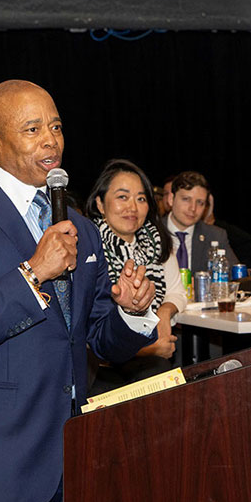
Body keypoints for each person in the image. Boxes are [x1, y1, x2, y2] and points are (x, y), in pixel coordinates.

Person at [0, 80, 158, 502]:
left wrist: (130, 313)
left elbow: (97, 338)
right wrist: (32, 274)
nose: (51, 141)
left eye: (56, 127)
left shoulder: (80, 228)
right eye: (32, 129)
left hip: (76, 461)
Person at [85, 159, 186, 393]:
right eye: (122, 197)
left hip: (148, 355)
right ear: (100, 203)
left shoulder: (157, 241)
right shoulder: (88, 245)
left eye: (141, 198)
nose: (133, 207)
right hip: (100, 361)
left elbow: (176, 292)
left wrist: (164, 312)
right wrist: (149, 348)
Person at [164, 171, 238, 272]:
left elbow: (234, 276)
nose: (193, 208)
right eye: (186, 199)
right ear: (171, 199)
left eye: (200, 202)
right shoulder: (150, 232)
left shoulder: (215, 236)